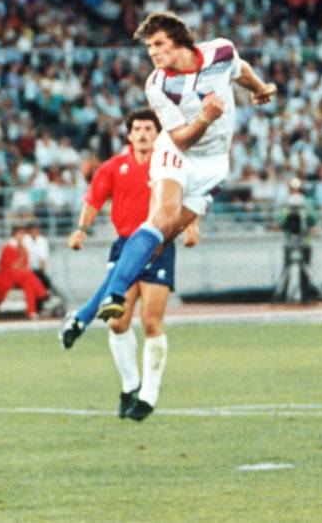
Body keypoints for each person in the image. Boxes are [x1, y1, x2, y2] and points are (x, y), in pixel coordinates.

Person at [90, 12, 275, 421]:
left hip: (213, 166)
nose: (152, 53)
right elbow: (179, 138)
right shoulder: (158, 85)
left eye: (158, 45)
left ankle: (146, 390)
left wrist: (260, 90)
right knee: (163, 216)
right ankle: (115, 292)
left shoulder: (220, 52)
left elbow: (240, 69)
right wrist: (206, 117)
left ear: (180, 42)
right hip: (179, 153)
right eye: (149, 47)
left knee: (168, 232)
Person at [60, 108, 199, 420]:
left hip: (159, 244)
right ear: (129, 134)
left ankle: (148, 397)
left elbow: (189, 197)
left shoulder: (169, 166)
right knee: (117, 322)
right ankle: (129, 385)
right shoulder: (113, 167)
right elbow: (93, 200)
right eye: (137, 129)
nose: (143, 134)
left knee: (151, 321)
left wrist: (192, 227)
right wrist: (81, 230)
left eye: (149, 128)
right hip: (125, 245)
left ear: (158, 133)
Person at [0, 226, 49, 319]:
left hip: (20, 275)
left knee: (29, 285)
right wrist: (19, 266)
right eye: (20, 234)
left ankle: (31, 311)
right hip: (8, 275)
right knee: (29, 274)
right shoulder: (8, 247)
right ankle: (42, 293)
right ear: (15, 235)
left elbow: (24, 263)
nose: (22, 237)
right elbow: (7, 266)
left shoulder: (23, 248)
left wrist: (19, 266)